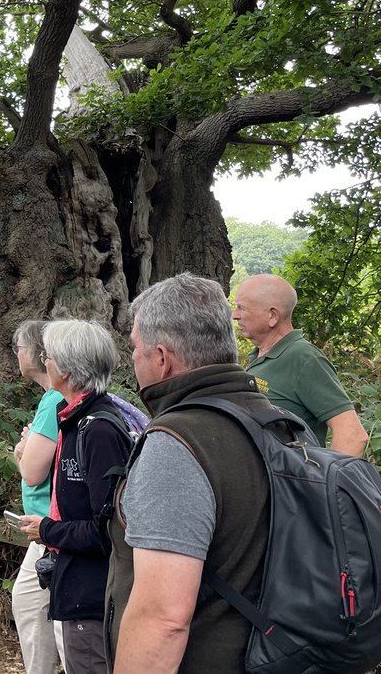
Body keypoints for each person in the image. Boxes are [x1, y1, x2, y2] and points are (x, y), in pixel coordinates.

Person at [106, 272, 273, 673]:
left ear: (162, 358)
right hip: (279, 656)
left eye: (135, 347)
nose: (133, 358)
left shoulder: (177, 443)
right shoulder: (279, 423)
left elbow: (163, 619)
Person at [14, 319, 130, 674]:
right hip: (75, 581)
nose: (44, 362)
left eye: (49, 356)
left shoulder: (99, 430)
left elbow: (106, 528)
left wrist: (47, 530)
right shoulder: (75, 420)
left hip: (91, 592)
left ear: (66, 370)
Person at [233, 273, 368, 455]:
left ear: (273, 315)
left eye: (242, 308)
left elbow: (352, 435)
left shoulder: (303, 358)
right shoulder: (259, 355)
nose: (235, 315)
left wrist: (324, 474)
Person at [9, 320, 66, 674]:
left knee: (48, 614)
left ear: (35, 353)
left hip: (52, 529)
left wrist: (22, 452)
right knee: (30, 602)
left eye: (18, 347)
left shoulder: (54, 400)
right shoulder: (53, 398)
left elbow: (32, 473)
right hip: (46, 529)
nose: (16, 354)